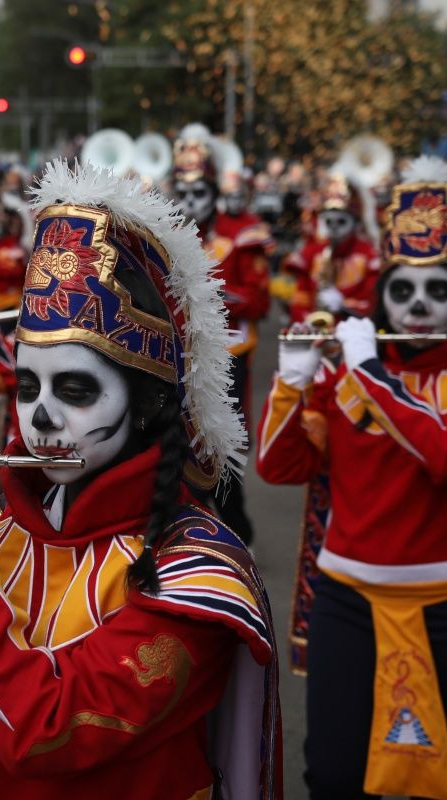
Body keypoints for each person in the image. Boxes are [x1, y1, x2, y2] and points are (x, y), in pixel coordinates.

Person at [0, 160, 281, 799]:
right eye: (28, 386)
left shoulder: (198, 574)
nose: (42, 416)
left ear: (145, 406)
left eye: (76, 389)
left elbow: (42, 730)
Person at [257, 156, 447, 800]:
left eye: (437, 291)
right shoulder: (345, 380)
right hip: (349, 601)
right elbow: (279, 466)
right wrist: (290, 382)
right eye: (403, 291)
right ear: (382, 297)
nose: (418, 306)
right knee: (333, 776)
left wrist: (371, 375)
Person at [172, 124, 271, 545]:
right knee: (180, 433)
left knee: (222, 434)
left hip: (231, 348)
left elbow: (260, 300)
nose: (192, 203)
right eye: (184, 193)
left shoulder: (243, 231)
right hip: (180, 347)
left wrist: (214, 294)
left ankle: (234, 521)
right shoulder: (168, 229)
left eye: (200, 193)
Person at [282, 170, 381, 325]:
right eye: (329, 222)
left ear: (355, 223)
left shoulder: (370, 255)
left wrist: (344, 305)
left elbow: (372, 302)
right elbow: (301, 297)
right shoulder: (312, 253)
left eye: (341, 222)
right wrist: (305, 321)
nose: (334, 228)